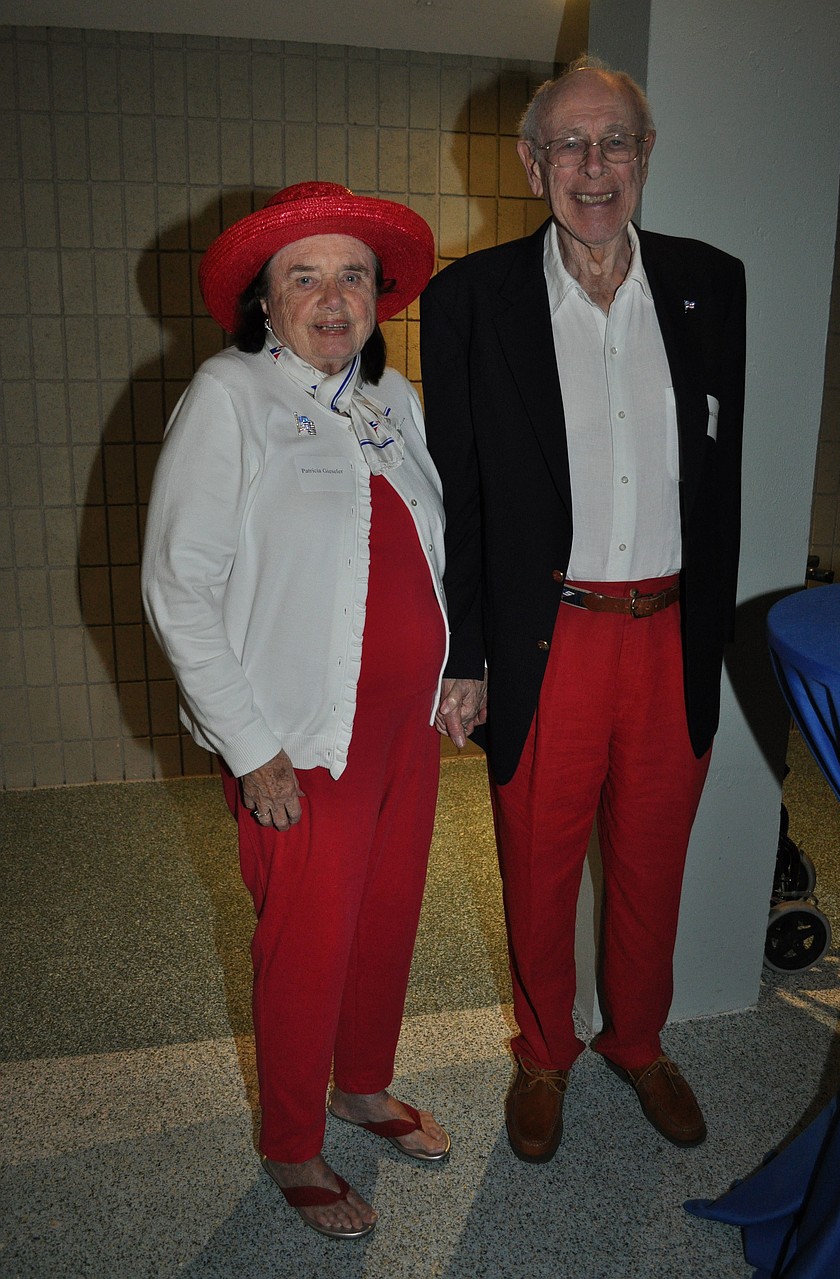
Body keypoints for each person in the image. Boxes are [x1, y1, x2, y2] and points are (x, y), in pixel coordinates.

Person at [419, 57, 746, 1163]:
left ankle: (638, 1041)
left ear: (646, 157)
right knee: (538, 860)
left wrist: (715, 637)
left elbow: (719, 471)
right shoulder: (471, 300)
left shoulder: (711, 283)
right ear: (531, 164)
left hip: (669, 634)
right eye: (569, 143)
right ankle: (545, 1049)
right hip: (545, 638)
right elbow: (459, 492)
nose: (593, 166)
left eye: (616, 142)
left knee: (653, 862)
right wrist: (466, 653)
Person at [142, 182, 451, 1239]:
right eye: (304, 276)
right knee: (306, 945)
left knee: (385, 921)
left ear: (378, 295)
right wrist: (251, 745)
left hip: (406, 731)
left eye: (352, 274)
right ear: (264, 302)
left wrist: (456, 671)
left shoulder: (392, 398)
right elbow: (177, 584)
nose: (332, 296)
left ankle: (360, 1085)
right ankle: (290, 1142)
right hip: (301, 741)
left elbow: (429, 552)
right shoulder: (230, 394)